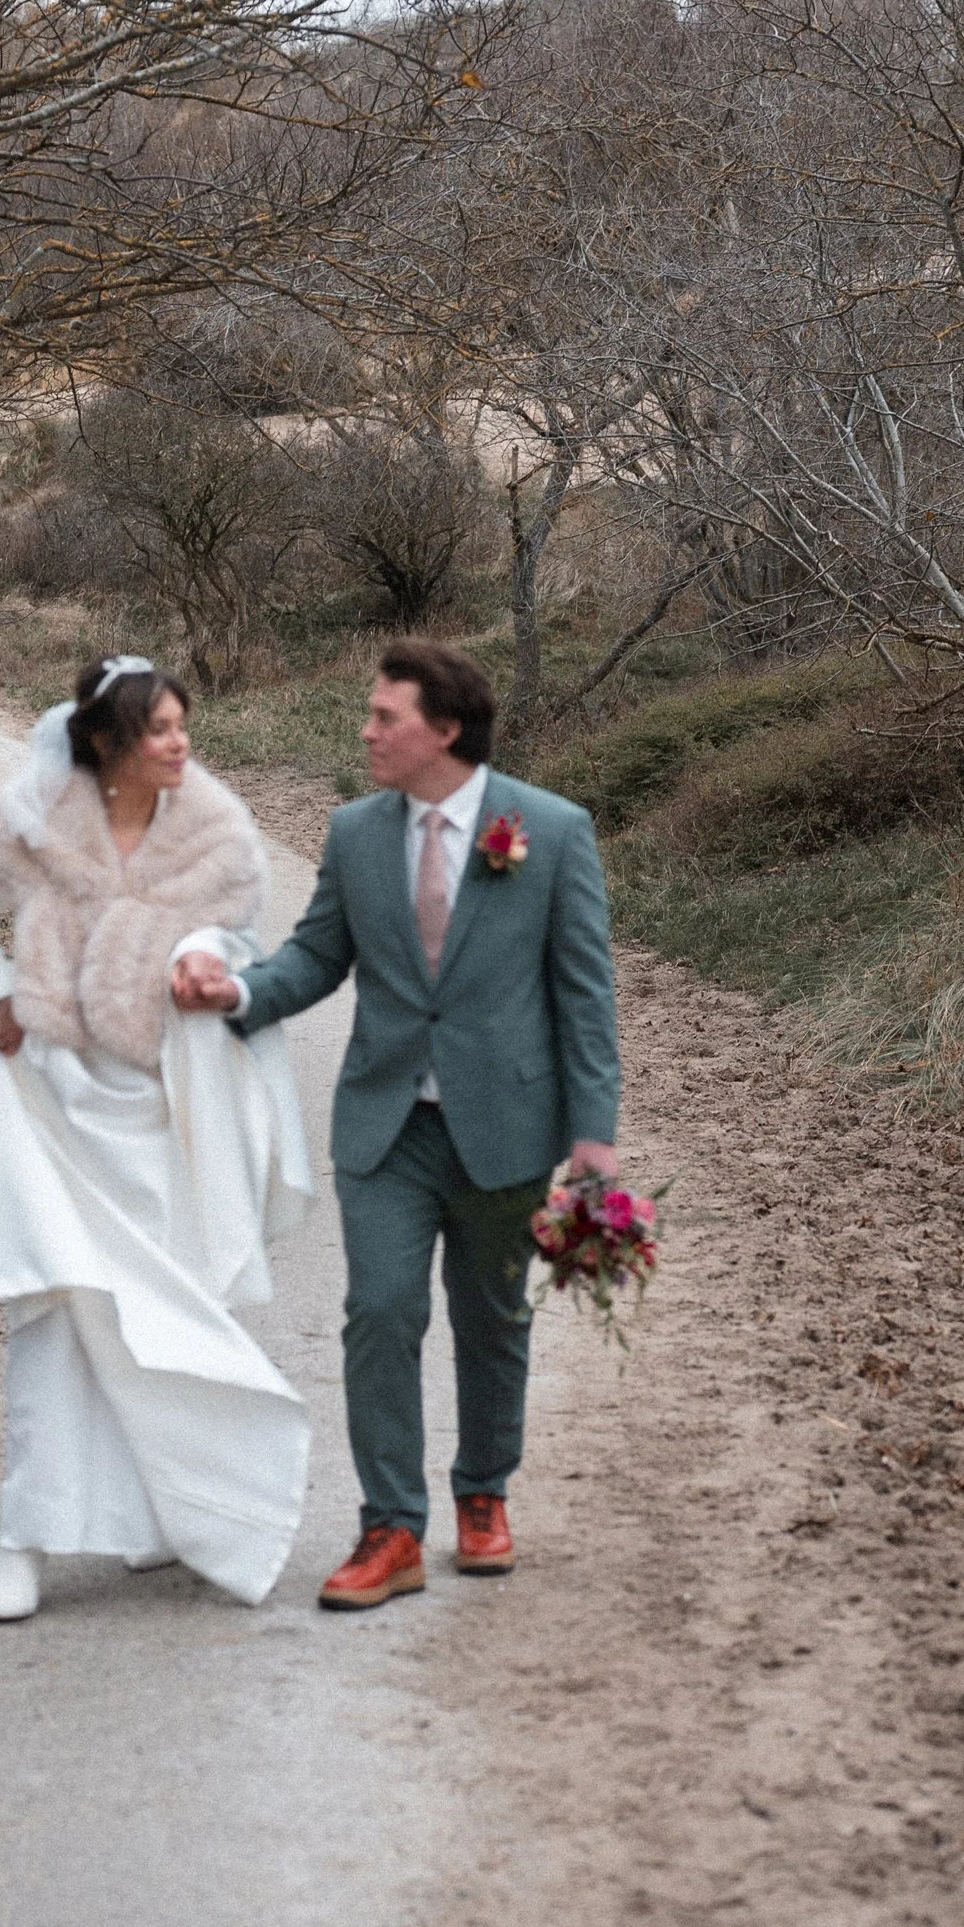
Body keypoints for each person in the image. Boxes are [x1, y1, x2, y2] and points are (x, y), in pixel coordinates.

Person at [173, 637, 619, 1610]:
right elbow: (313, 957)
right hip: (385, 1124)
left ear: (444, 730)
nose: (366, 730)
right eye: (369, 715)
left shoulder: (548, 831)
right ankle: (389, 1528)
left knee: (491, 1319)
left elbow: (583, 995)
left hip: (504, 1123)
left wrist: (592, 1137)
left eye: (386, 717)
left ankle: (482, 1495)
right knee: (378, 1312)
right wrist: (235, 991)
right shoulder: (353, 834)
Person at [0, 654, 312, 1622]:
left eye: (184, 725)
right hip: (51, 1103)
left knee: (160, 1314)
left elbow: (235, 938)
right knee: (58, 1322)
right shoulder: (34, 822)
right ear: (107, 743)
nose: (180, 743)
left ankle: (168, 1513)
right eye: (159, 730)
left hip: (161, 1108)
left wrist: (198, 955)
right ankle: (26, 1538)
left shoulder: (217, 836)